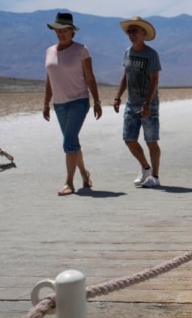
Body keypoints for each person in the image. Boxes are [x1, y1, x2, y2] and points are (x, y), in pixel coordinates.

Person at [42, 12, 102, 196]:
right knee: (72, 142)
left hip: (78, 101)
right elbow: (49, 79)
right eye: (57, 30)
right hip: (59, 104)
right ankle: (84, 174)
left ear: (72, 31)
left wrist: (97, 101)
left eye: (65, 30)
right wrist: (46, 103)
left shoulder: (81, 50)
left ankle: (69, 183)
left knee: (68, 142)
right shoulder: (49, 51)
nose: (61, 34)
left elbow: (90, 77)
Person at [113, 16, 162, 188]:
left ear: (143, 33)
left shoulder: (151, 55)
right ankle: (145, 168)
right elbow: (125, 75)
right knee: (129, 139)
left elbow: (154, 80)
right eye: (130, 31)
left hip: (148, 105)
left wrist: (147, 103)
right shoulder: (128, 52)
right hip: (131, 104)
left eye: (135, 31)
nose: (132, 34)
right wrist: (118, 96)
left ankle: (155, 176)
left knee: (151, 141)